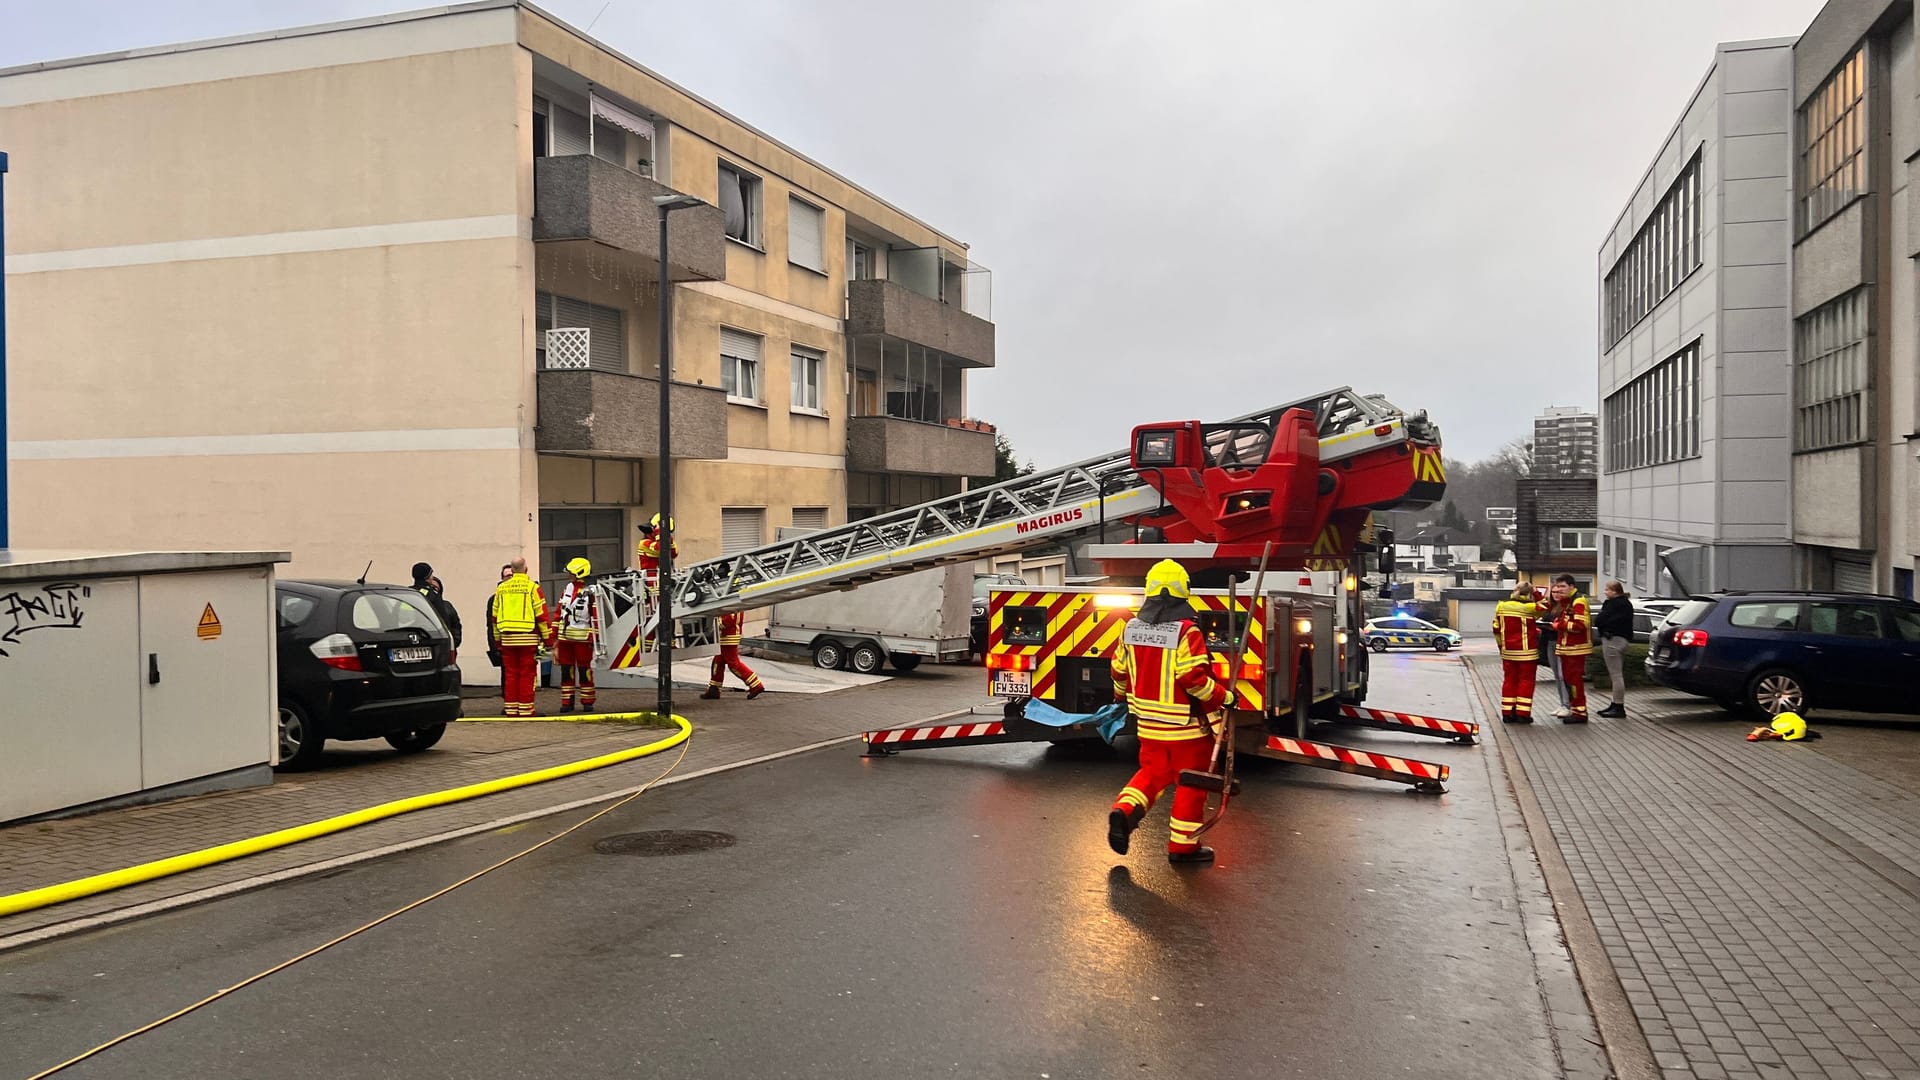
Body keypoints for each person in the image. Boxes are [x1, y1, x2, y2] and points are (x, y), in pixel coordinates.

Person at [1106, 559, 1233, 866]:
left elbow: (1118, 671)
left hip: (1148, 725)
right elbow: (1192, 679)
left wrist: (1122, 696)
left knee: (1151, 774)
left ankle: (1123, 812)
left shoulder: (1130, 628)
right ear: (1183, 591)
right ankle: (1183, 848)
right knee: (1192, 782)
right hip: (1186, 729)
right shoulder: (1187, 632)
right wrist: (1224, 697)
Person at [489, 558, 552, 718]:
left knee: (510, 674)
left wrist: (498, 641)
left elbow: (494, 618)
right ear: (526, 569)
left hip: (507, 639)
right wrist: (548, 640)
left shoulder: (501, 589)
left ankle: (511, 709)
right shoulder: (532, 588)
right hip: (528, 639)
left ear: (513, 570)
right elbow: (542, 616)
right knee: (527, 674)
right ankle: (525, 710)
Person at [1543, 574, 1593, 723]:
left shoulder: (1578, 602)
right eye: (1557, 587)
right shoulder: (1568, 602)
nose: (1559, 590)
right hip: (1566, 647)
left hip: (1575, 648)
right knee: (1568, 680)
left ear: (1571, 586)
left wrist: (1559, 626)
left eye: (1563, 586)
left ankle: (1580, 712)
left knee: (1574, 681)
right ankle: (1575, 709)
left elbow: (1580, 625)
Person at [553, 558, 601, 713]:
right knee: (566, 671)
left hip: (582, 640)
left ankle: (587, 702)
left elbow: (596, 616)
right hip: (565, 639)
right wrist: (554, 637)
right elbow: (559, 613)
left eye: (571, 573)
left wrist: (595, 639)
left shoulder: (591, 592)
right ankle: (567, 702)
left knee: (584, 671)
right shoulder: (567, 589)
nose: (569, 576)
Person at [1493, 582, 1542, 723]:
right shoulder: (1530, 608)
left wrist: (1501, 647)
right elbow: (1546, 607)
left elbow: (1496, 628)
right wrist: (1537, 593)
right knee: (1526, 682)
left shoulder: (1501, 606)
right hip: (1527, 652)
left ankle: (1507, 713)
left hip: (1508, 652)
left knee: (1509, 681)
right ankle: (1522, 714)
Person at [701, 609, 765, 700]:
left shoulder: (733, 604)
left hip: (729, 636)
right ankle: (714, 689)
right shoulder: (736, 602)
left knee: (733, 664)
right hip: (727, 635)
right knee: (718, 661)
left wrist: (714, 624)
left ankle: (755, 685)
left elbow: (729, 619)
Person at [1594, 580, 1633, 718]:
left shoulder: (1613, 604)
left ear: (1615, 591)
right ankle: (1615, 703)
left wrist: (1602, 624)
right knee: (1617, 674)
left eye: (1607, 589)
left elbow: (1600, 620)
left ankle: (1618, 706)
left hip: (1612, 640)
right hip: (1622, 639)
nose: (1605, 592)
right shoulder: (1626, 604)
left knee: (1616, 675)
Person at [410, 562, 463, 663]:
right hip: (430, 641)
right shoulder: (432, 594)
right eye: (431, 575)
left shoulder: (407, 593)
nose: (432, 577)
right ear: (427, 576)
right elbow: (443, 621)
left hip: (408, 641)